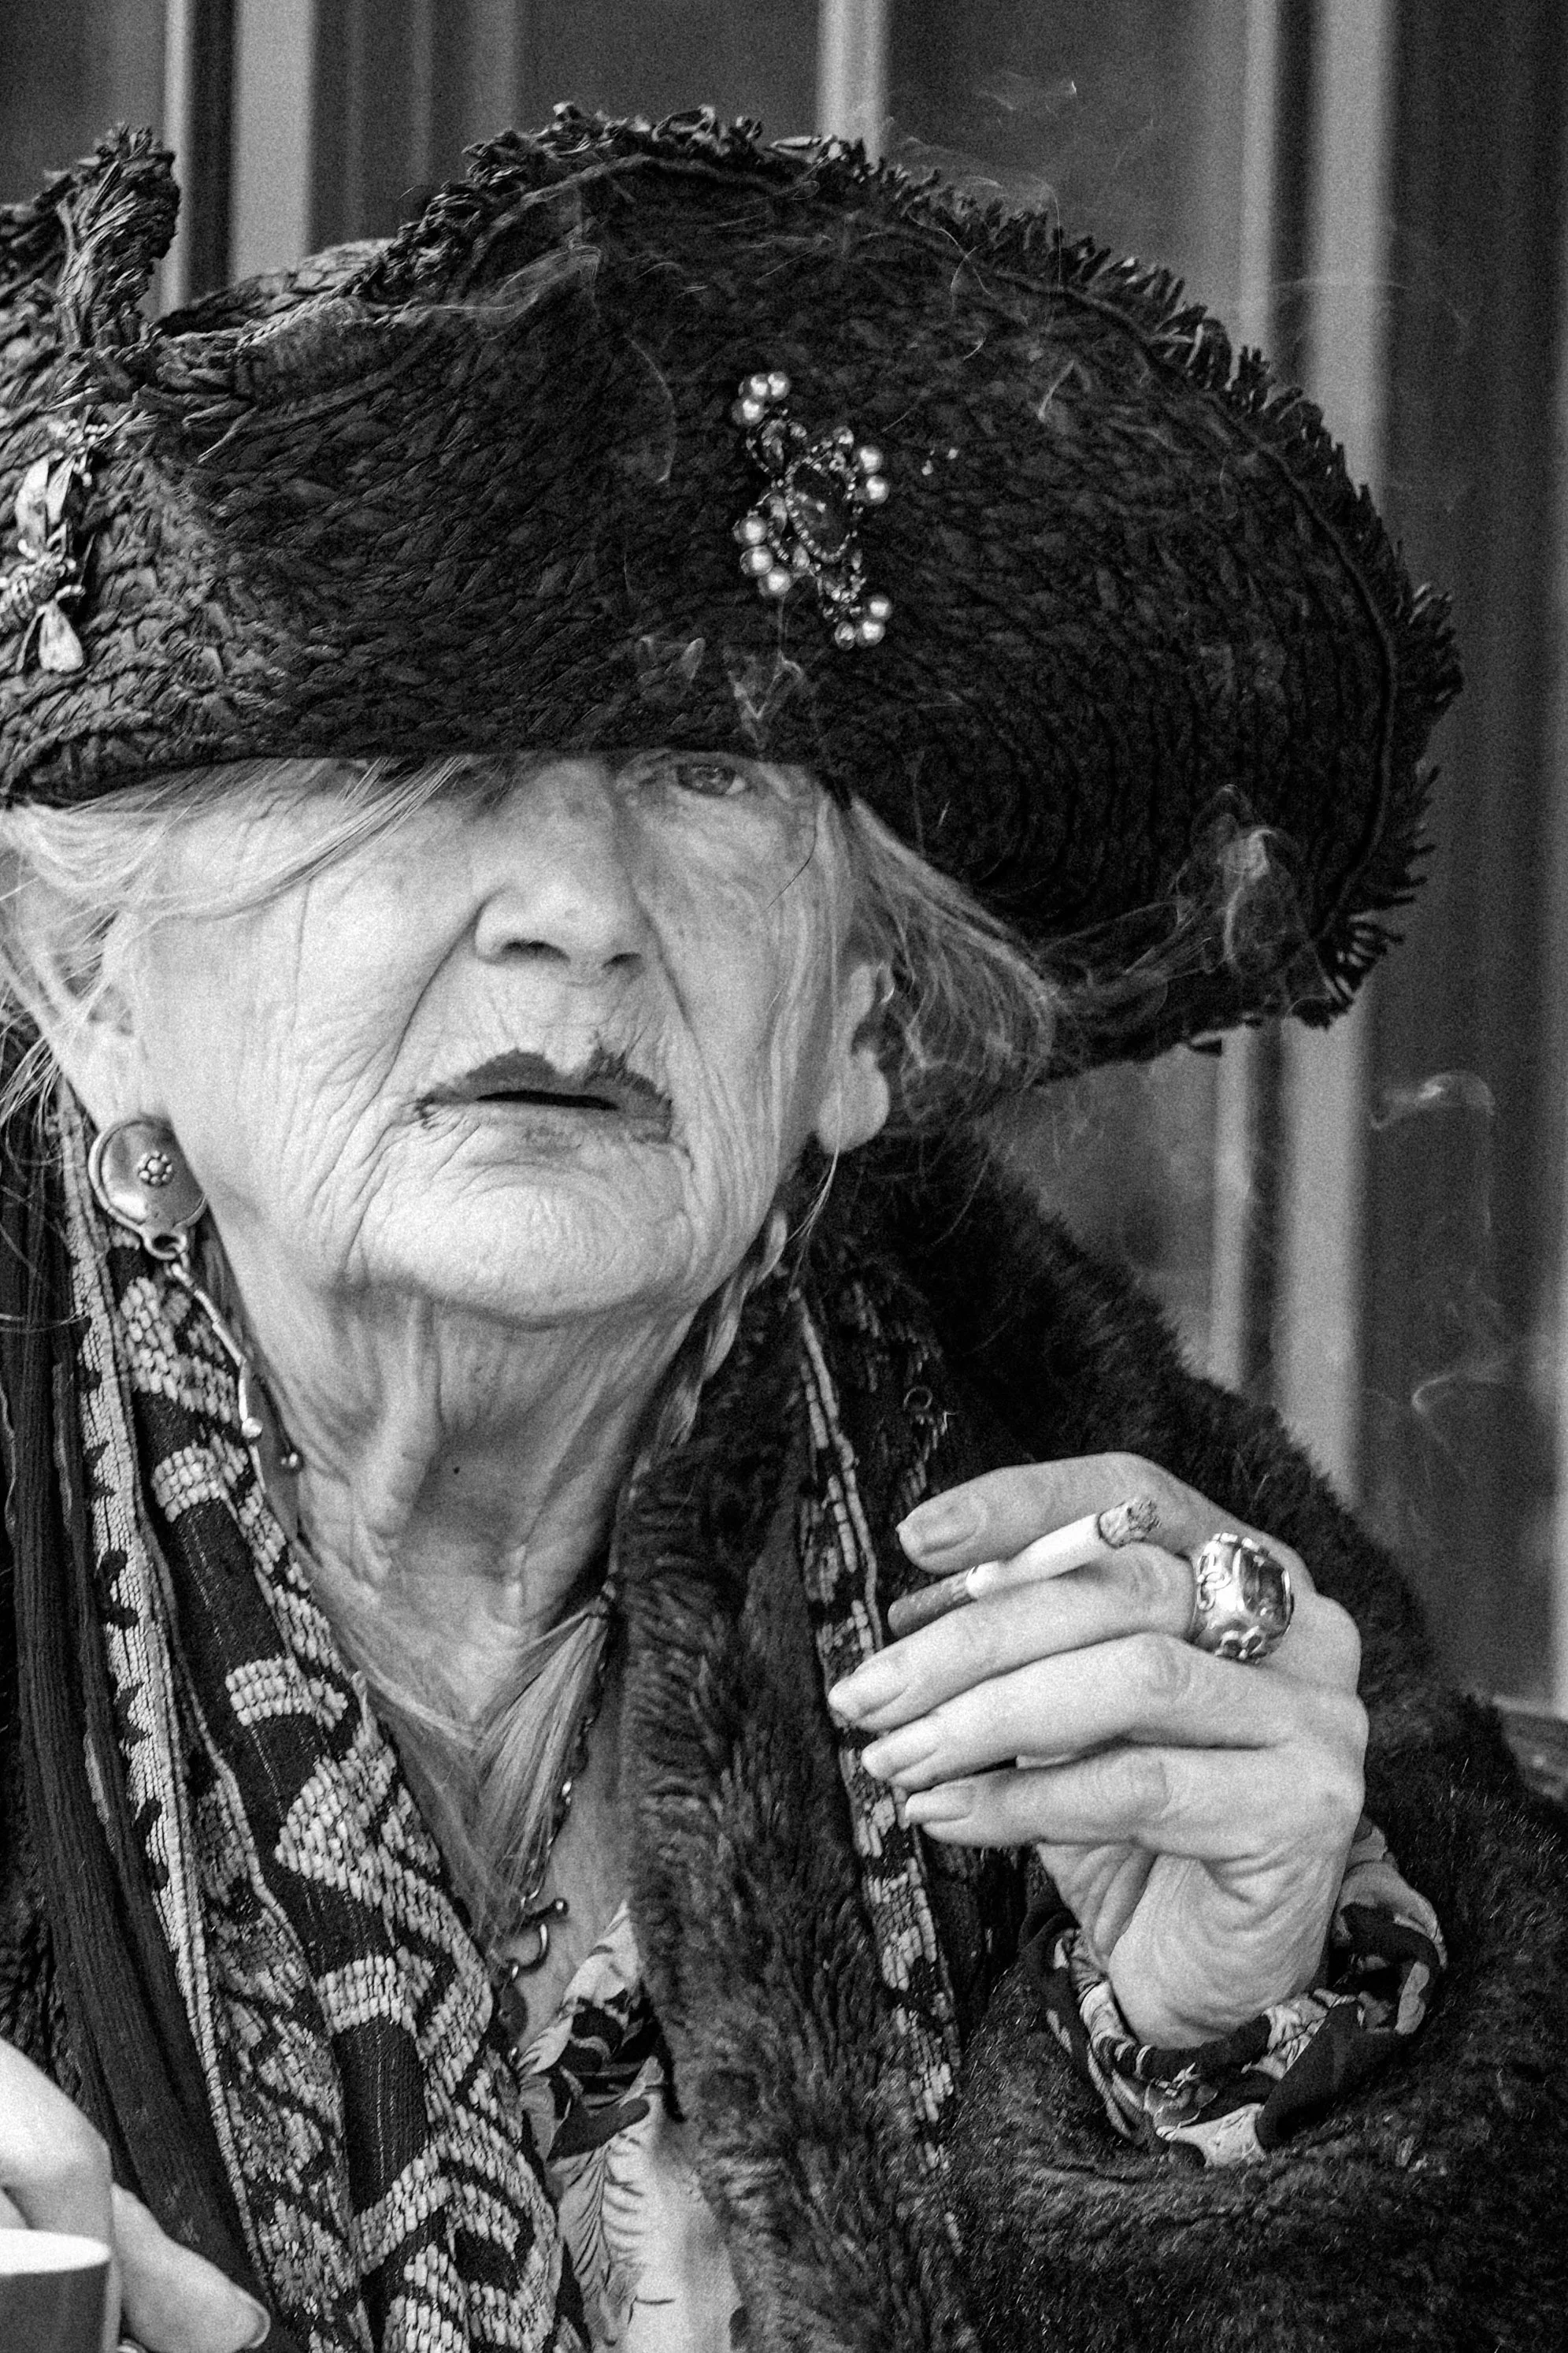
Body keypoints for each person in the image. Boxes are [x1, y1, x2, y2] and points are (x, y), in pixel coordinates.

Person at [0, 110, 1560, 2353]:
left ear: (855, 1022)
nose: (571, 915)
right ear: (93, 995)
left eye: (704, 778)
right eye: (402, 769)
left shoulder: (1087, 1524)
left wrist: (1245, 2049)